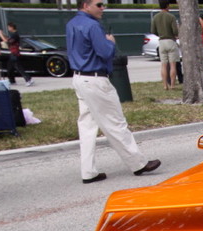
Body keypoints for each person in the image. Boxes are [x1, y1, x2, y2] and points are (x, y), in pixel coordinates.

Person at [66, 0, 161, 184]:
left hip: (79, 77)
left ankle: (88, 171)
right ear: (86, 5)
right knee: (115, 122)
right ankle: (138, 163)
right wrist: (110, 42)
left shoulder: (72, 24)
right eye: (99, 4)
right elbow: (105, 52)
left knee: (87, 125)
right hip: (95, 79)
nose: (103, 8)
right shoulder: (92, 26)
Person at [151, 0, 179, 90]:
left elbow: (153, 31)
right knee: (173, 65)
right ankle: (172, 85)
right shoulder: (171, 17)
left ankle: (164, 85)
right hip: (171, 41)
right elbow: (175, 31)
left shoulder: (155, 17)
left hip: (161, 42)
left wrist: (160, 34)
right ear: (167, 6)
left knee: (163, 65)